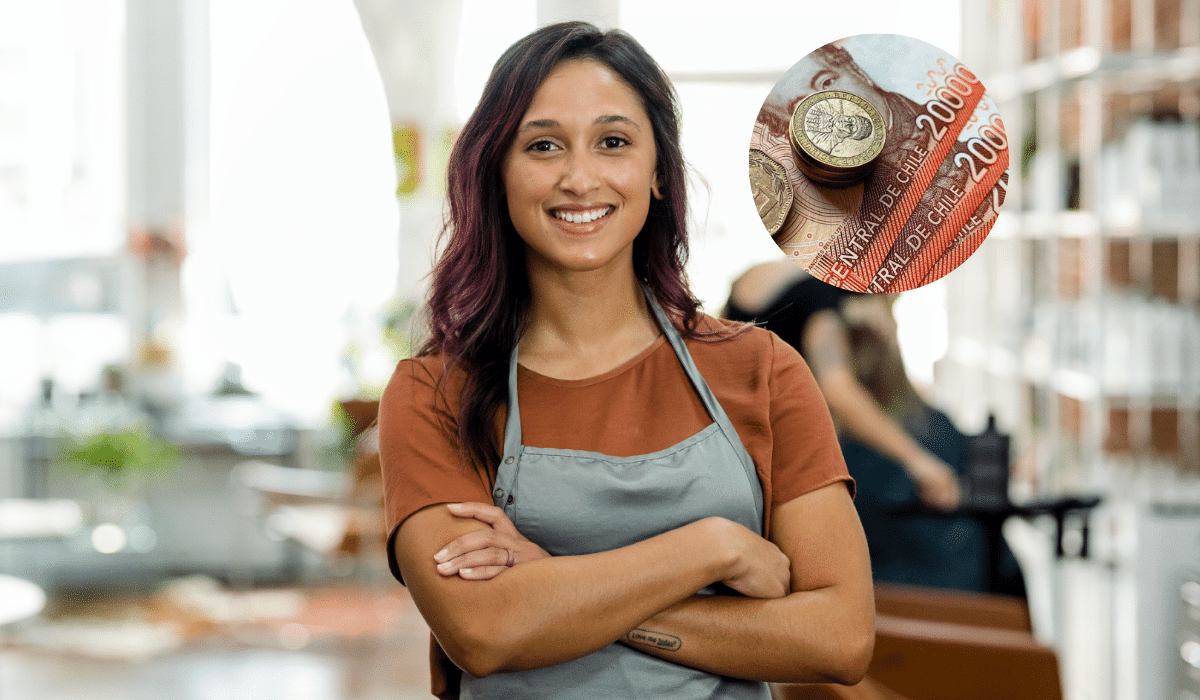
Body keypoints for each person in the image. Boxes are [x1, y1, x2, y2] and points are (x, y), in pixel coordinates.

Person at [378, 22, 873, 700]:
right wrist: (713, 548)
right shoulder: (434, 392)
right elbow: (485, 632)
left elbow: (839, 638)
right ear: (497, 172)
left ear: (657, 174)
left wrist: (553, 587)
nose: (580, 178)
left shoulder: (762, 371)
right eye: (543, 145)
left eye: (613, 142)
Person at [724, 259, 961, 512]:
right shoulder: (821, 298)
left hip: (734, 441)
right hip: (769, 457)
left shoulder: (762, 276)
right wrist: (918, 462)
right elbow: (837, 388)